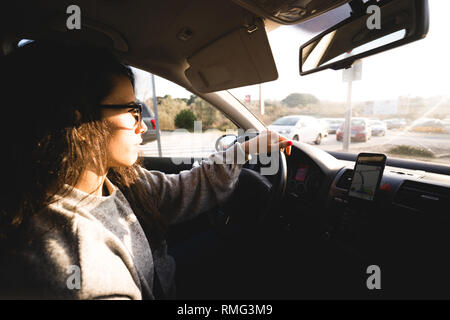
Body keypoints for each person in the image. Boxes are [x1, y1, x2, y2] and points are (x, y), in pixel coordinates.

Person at [0, 41, 292, 299]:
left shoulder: (111, 180)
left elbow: (180, 190)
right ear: (79, 119)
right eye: (131, 110)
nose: (142, 125)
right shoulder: (80, 270)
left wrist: (247, 149)